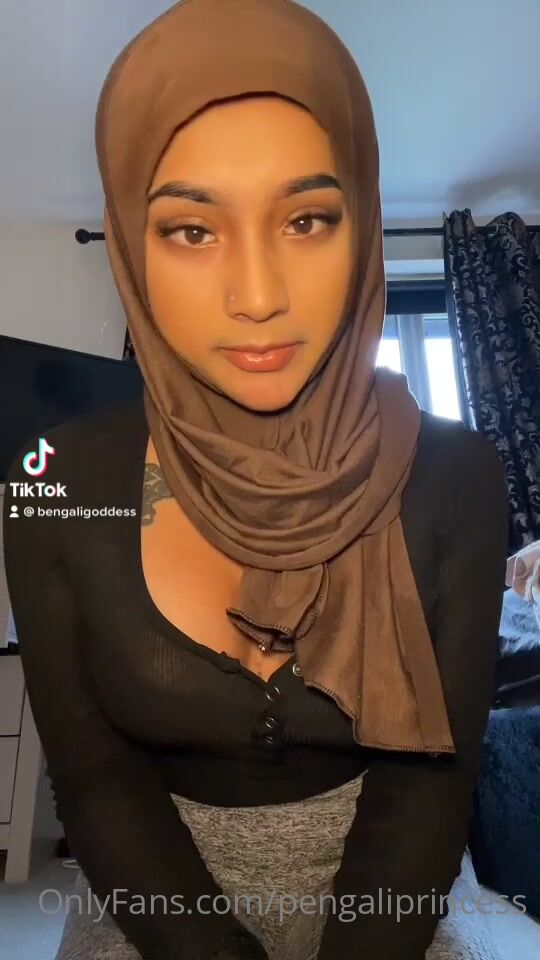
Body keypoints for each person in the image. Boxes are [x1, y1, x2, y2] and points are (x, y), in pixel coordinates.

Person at [2, 1, 509, 959]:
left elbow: (430, 788)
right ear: (129, 246)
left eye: (307, 219)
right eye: (192, 230)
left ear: (361, 225)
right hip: (155, 909)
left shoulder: (457, 476)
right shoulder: (58, 476)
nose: (260, 296)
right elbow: (99, 783)